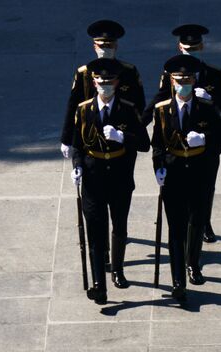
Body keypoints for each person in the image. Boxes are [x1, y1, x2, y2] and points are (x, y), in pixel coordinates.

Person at [61, 19, 146, 266]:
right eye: (101, 44)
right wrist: (67, 138)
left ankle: (116, 251)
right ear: (94, 46)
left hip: (120, 139)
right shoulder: (84, 73)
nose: (105, 48)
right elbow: (73, 107)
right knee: (96, 205)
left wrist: (130, 132)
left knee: (119, 195)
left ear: (116, 46)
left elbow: (139, 105)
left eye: (109, 44)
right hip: (90, 138)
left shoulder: (128, 71)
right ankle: (103, 252)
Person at [151, 55, 221, 301]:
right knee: (175, 227)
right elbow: (157, 144)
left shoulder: (207, 107)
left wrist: (206, 140)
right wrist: (158, 168)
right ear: (171, 81)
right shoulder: (162, 109)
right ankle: (178, 281)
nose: (183, 83)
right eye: (179, 79)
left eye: (188, 79)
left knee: (196, 221)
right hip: (174, 172)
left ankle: (193, 264)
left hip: (201, 170)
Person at [143, 24, 221, 244]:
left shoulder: (214, 74)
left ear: (201, 47)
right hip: (180, 138)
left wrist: (211, 101)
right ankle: (196, 222)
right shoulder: (172, 73)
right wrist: (141, 121)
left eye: (194, 47)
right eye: (186, 47)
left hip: (207, 141)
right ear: (179, 47)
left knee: (207, 185)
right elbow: (161, 98)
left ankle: (204, 222)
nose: (190, 51)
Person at [71, 58, 150, 305]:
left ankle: (117, 269)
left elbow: (144, 144)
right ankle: (99, 285)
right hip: (93, 178)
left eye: (109, 81)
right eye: (100, 81)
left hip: (119, 175)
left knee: (119, 225)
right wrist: (77, 166)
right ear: (94, 82)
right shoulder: (83, 110)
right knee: (95, 232)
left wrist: (122, 136)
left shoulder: (127, 109)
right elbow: (77, 144)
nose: (104, 85)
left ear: (117, 83)